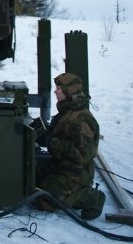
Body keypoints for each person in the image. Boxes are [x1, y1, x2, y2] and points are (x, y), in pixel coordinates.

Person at [34, 72, 105, 220]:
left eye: (58, 89)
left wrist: (53, 142)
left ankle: (92, 198)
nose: (55, 91)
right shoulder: (68, 111)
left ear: (69, 91)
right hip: (60, 166)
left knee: (45, 202)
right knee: (32, 181)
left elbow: (83, 155)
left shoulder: (81, 119)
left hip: (76, 173)